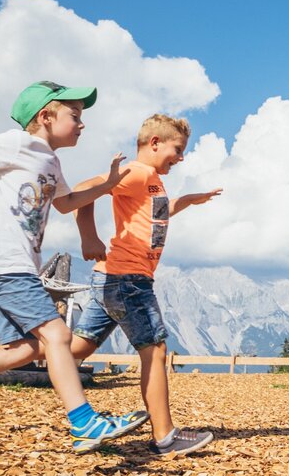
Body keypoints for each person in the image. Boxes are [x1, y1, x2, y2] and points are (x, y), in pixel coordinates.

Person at [0, 81, 149, 454]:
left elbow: (66, 203)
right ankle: (84, 422)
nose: (82, 124)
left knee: (25, 350)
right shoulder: (16, 143)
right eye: (75, 116)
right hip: (5, 262)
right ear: (45, 116)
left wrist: (109, 184)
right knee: (58, 336)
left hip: (18, 266)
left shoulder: (50, 160)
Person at [70, 113, 221, 456]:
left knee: (73, 351)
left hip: (111, 278)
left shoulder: (152, 180)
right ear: (155, 143)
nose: (181, 157)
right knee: (155, 352)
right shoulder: (138, 173)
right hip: (129, 279)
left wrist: (189, 200)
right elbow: (83, 190)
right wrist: (89, 237)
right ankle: (165, 437)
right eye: (177, 149)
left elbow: (156, 215)